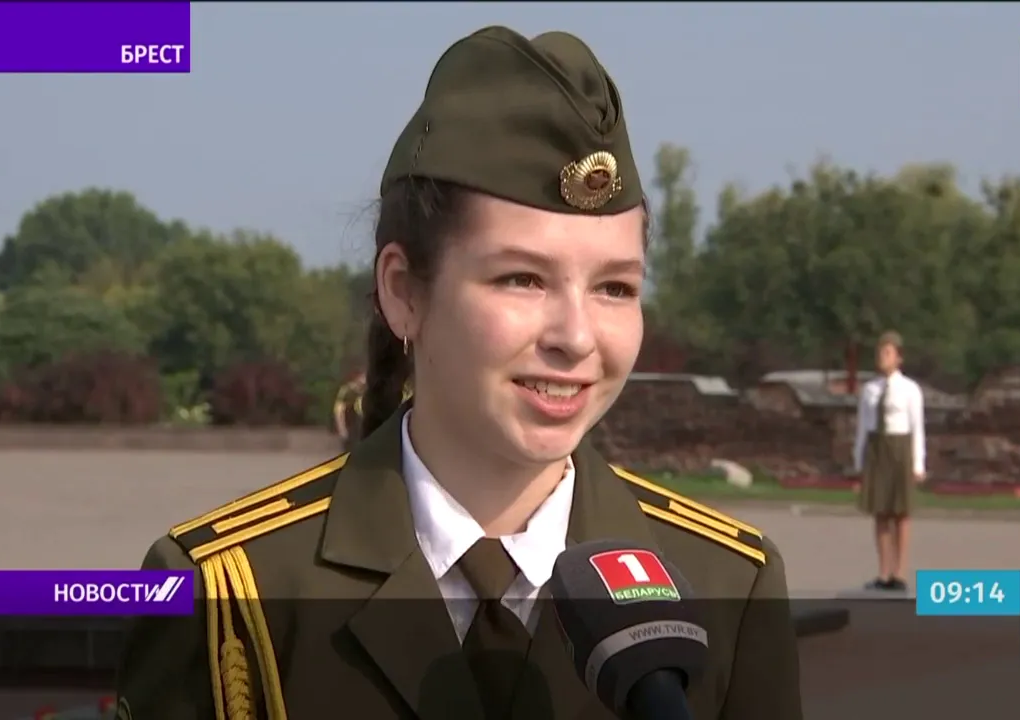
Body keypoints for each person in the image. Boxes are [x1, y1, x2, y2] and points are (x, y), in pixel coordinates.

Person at [114, 26, 802, 720]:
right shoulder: (230, 595)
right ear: (403, 292)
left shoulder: (727, 584)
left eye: (615, 287)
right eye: (522, 278)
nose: (576, 337)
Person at [852, 331, 926, 592]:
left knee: (901, 513)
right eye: (880, 353)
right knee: (881, 512)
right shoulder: (869, 390)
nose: (882, 358)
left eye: (887, 353)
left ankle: (900, 573)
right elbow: (863, 426)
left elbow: (917, 428)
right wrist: (859, 459)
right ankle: (883, 573)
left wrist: (918, 463)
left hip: (900, 448)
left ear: (898, 358)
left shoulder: (910, 390)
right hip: (877, 449)